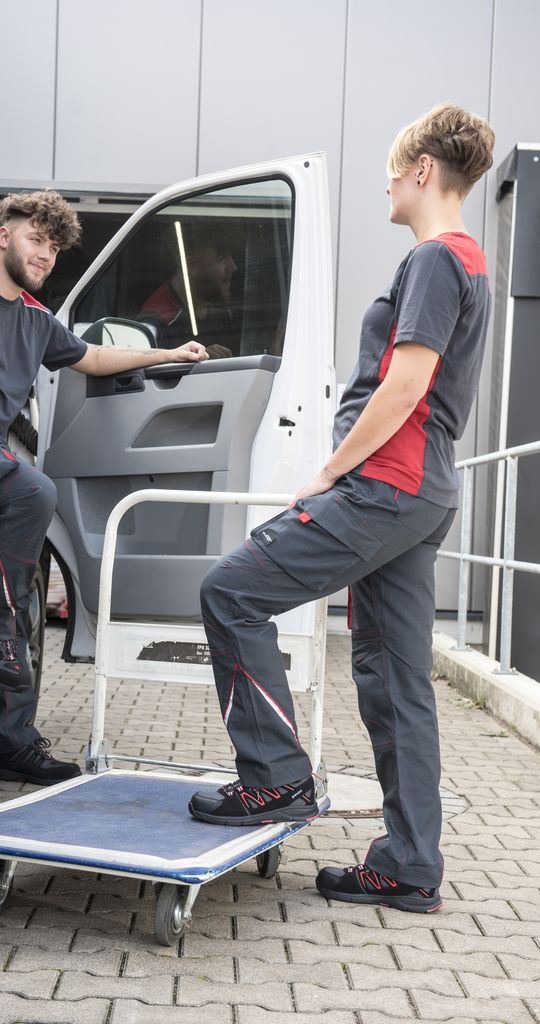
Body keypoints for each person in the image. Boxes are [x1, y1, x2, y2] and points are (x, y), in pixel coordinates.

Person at [188, 104, 495, 914]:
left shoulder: (436, 258)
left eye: (394, 172)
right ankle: (410, 865)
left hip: (386, 486)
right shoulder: (469, 261)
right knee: (396, 682)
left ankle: (274, 779)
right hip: (422, 492)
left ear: (423, 170)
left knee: (230, 591)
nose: (386, 186)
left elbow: (406, 383)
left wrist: (327, 474)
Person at [0, 191, 207, 786]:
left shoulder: (36, 320)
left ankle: (12, 743)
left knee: (19, 599)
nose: (44, 254)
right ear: (4, 235)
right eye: (35, 239)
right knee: (34, 492)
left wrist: (167, 352)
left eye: (53, 247)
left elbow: (92, 357)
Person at [137, 223, 238, 358]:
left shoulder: (221, 311)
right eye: (222, 258)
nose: (233, 267)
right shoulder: (158, 323)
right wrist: (200, 361)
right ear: (190, 265)